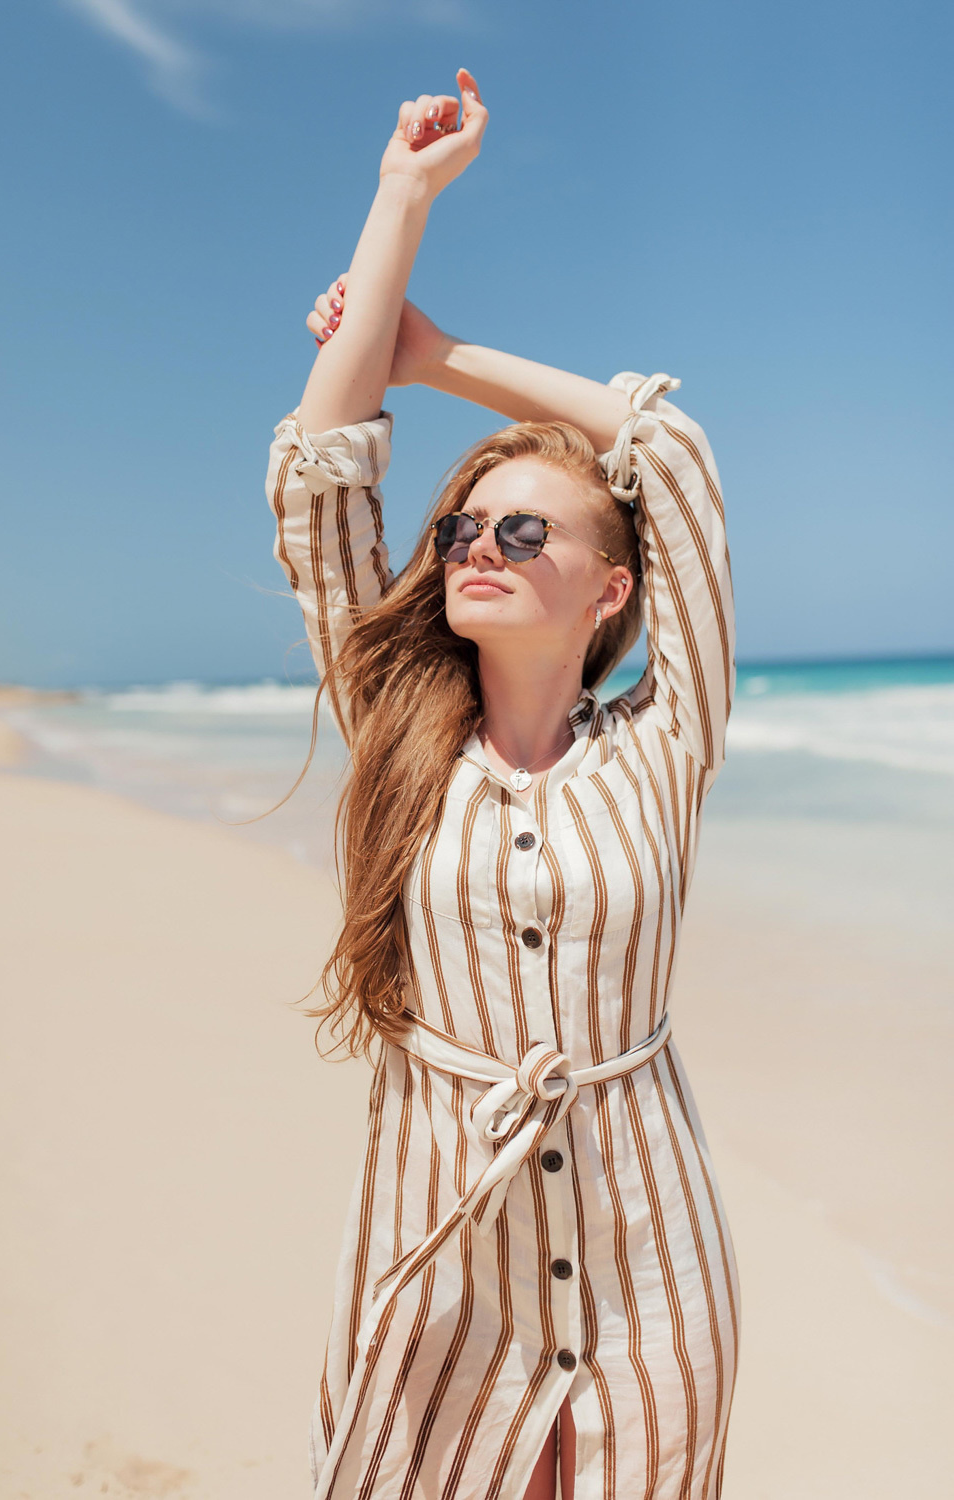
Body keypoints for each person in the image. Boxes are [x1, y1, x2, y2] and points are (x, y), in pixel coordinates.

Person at [264, 66, 740, 1500]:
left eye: (528, 532)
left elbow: (673, 454)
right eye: (467, 524)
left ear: (609, 589)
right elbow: (320, 481)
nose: (480, 543)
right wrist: (401, 196)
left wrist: (431, 350)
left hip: (649, 1266)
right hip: (436, 1246)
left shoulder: (663, 748)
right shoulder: (395, 726)